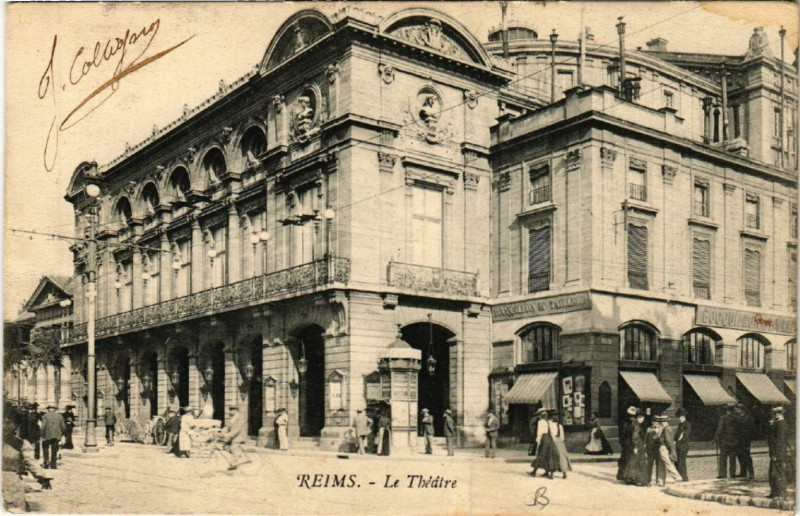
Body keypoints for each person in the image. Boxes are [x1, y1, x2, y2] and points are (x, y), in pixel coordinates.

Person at [218, 406, 250, 471]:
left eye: (232, 410)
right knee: (225, 446)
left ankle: (234, 464)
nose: (230, 412)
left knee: (233, 448)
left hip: (239, 436)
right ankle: (238, 455)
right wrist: (221, 432)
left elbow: (238, 429)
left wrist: (229, 435)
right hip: (233, 436)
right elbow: (227, 427)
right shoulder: (233, 418)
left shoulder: (240, 418)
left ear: (236, 411)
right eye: (230, 410)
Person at [653, 415, 682, 486]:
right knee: (661, 465)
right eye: (660, 421)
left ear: (665, 422)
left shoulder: (667, 429)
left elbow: (669, 441)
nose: (661, 423)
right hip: (661, 447)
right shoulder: (663, 428)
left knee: (667, 463)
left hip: (664, 448)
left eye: (662, 421)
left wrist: (671, 451)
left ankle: (677, 477)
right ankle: (661, 481)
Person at [767, 406, 790, 499]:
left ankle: (781, 493)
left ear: (778, 414)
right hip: (775, 453)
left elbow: (779, 441)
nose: (773, 416)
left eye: (775, 414)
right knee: (772, 473)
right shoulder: (777, 424)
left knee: (779, 473)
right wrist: (772, 426)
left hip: (778, 453)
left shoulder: (781, 424)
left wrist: (775, 454)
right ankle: (774, 492)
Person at [530, 408, 559, 478]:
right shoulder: (549, 422)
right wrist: (553, 440)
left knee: (541, 454)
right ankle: (549, 473)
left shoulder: (541, 422)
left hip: (544, 438)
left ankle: (534, 471)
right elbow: (553, 432)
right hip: (550, 439)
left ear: (540, 415)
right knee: (550, 455)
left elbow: (540, 432)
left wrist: (538, 441)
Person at [714, 405, 738, 478]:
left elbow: (720, 429)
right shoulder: (736, 418)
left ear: (727, 410)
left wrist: (716, 438)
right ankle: (732, 474)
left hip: (724, 441)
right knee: (732, 459)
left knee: (723, 458)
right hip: (734, 441)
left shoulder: (723, 418)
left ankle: (723, 474)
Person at [40, 405, 65, 470]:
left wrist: (42, 435)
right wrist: (61, 435)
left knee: (45, 448)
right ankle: (53, 464)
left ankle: (46, 463)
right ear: (55, 409)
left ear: (48, 409)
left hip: (47, 435)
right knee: (54, 450)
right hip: (56, 436)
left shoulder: (45, 416)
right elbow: (63, 427)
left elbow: (43, 427)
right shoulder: (60, 416)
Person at [734, 404, 754, 480]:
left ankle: (751, 473)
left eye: (737, 409)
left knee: (747, 456)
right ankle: (743, 472)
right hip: (738, 440)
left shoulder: (748, 418)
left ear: (742, 410)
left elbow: (751, 430)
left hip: (745, 441)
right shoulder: (738, 418)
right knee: (740, 456)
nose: (736, 411)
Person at [549, 412, 572, 479]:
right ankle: (564, 473)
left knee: (553, 456)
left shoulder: (551, 425)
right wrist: (560, 441)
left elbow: (552, 434)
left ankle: (552, 474)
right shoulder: (559, 426)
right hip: (559, 441)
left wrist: (553, 441)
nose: (555, 418)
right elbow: (562, 436)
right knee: (562, 456)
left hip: (554, 440)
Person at [617, 406, 637, 480]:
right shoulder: (635, 423)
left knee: (625, 458)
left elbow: (622, 433)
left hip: (626, 442)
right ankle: (629, 476)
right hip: (631, 443)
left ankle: (622, 475)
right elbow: (635, 435)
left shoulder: (625, 422)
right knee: (630, 459)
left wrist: (622, 441)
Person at [674, 408, 691, 481]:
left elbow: (685, 436)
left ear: (684, 416)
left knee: (682, 462)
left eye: (680, 416)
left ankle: (684, 478)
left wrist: (677, 441)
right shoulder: (680, 424)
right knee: (677, 462)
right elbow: (677, 435)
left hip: (683, 446)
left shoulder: (687, 424)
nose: (679, 418)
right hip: (678, 446)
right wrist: (675, 440)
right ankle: (679, 477)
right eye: (679, 416)